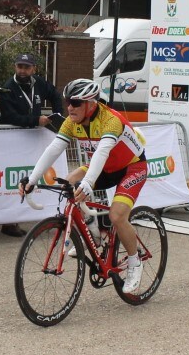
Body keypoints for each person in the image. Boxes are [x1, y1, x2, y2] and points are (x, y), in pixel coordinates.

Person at [19, 79, 149, 294]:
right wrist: (32, 180)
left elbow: (102, 151)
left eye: (76, 102)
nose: (70, 107)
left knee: (117, 216)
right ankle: (93, 229)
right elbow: (54, 148)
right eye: (68, 101)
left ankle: (135, 262)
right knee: (69, 183)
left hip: (131, 167)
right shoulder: (72, 121)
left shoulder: (111, 120)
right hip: (105, 167)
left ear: (91, 104)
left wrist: (88, 183)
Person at [0, 52, 64, 237]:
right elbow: (10, 116)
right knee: (13, 179)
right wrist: (36, 120)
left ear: (33, 68)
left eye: (26, 67)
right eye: (20, 66)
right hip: (12, 139)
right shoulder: (8, 88)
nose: (23, 70)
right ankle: (9, 222)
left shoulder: (39, 83)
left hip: (33, 139)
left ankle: (29, 215)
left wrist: (58, 117)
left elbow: (56, 95)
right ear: (15, 67)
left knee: (29, 175)